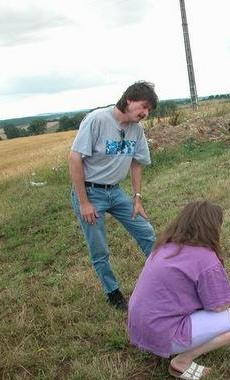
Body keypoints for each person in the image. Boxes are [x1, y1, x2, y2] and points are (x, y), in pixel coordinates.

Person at [128, 201, 230, 380]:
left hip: (138, 327)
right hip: (162, 332)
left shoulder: (165, 246)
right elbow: (217, 306)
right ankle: (182, 362)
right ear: (211, 228)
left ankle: (168, 345)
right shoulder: (205, 258)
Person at [69, 81, 158, 310]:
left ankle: (164, 275)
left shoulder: (136, 130)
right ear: (129, 100)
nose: (145, 113)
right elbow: (75, 159)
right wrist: (84, 203)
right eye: (143, 106)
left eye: (149, 110)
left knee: (146, 232)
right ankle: (113, 293)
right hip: (91, 193)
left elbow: (137, 162)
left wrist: (137, 197)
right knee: (99, 248)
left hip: (116, 192)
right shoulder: (97, 120)